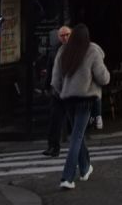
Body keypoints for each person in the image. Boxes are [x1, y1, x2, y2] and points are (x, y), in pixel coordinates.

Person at [50, 23, 110, 191]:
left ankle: (84, 168)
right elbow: (103, 77)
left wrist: (64, 92)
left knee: (77, 134)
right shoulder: (91, 50)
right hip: (85, 98)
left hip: (68, 99)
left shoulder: (63, 52)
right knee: (76, 137)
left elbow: (55, 80)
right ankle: (67, 177)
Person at [40, 24, 72, 158]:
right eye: (62, 35)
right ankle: (53, 146)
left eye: (67, 35)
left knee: (75, 120)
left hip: (72, 90)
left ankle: (77, 146)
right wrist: (47, 86)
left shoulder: (76, 49)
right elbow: (50, 70)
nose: (65, 38)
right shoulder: (55, 51)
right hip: (57, 91)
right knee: (54, 120)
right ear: (59, 37)